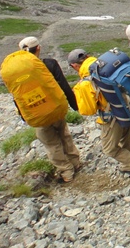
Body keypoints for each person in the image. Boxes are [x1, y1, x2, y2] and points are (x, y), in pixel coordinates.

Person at [67, 49, 130, 175]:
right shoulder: (105, 66)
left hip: (111, 117)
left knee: (109, 148)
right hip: (127, 107)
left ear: (74, 65)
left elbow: (88, 110)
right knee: (125, 138)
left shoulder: (85, 82)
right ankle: (128, 165)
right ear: (88, 56)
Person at [16, 36, 81, 183]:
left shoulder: (19, 72)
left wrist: (24, 116)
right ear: (38, 48)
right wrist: (75, 105)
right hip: (55, 109)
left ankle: (66, 172)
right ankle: (75, 162)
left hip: (37, 113)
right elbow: (64, 85)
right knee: (64, 135)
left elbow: (18, 96)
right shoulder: (50, 64)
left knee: (51, 143)